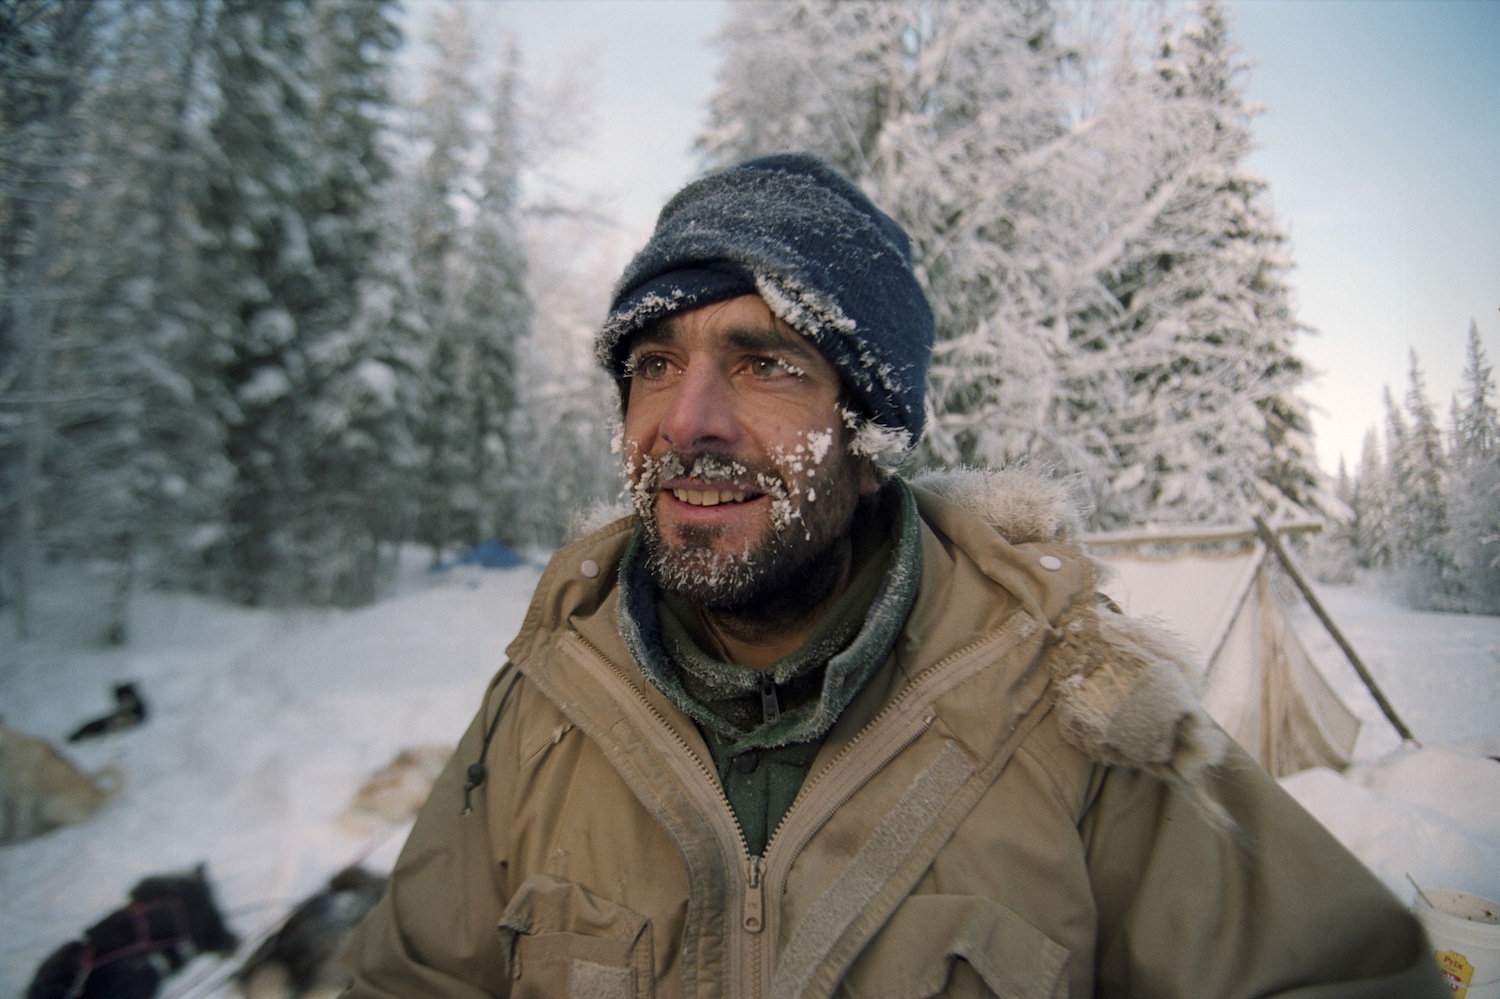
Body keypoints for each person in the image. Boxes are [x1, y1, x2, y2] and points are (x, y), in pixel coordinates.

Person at [343, 153, 1444, 998]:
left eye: (765, 361)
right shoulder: (545, 701)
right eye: (653, 364)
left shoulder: (1068, 707)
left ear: (870, 440)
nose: (687, 421)